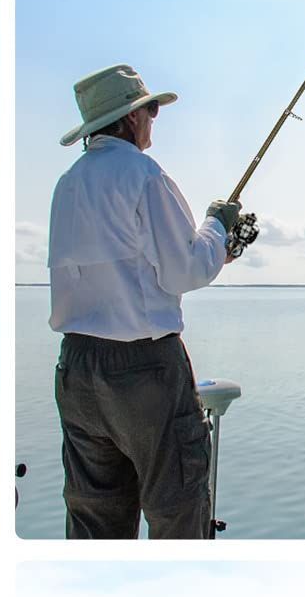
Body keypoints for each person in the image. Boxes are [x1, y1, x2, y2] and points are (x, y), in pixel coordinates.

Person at [47, 63, 253, 539]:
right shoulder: (144, 175)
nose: (153, 118)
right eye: (151, 110)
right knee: (177, 509)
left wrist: (213, 243)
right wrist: (217, 223)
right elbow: (186, 269)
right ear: (130, 118)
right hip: (144, 369)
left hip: (76, 369)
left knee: (94, 516)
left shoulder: (68, 183)